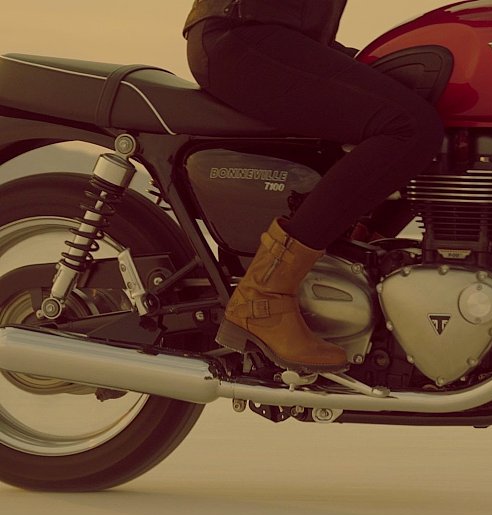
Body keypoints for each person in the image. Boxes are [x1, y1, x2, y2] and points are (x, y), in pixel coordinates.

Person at [183, 0, 444, 373]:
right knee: (409, 127)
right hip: (242, 36)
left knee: (439, 97)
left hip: (287, 38)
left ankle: (352, 259)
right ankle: (263, 296)